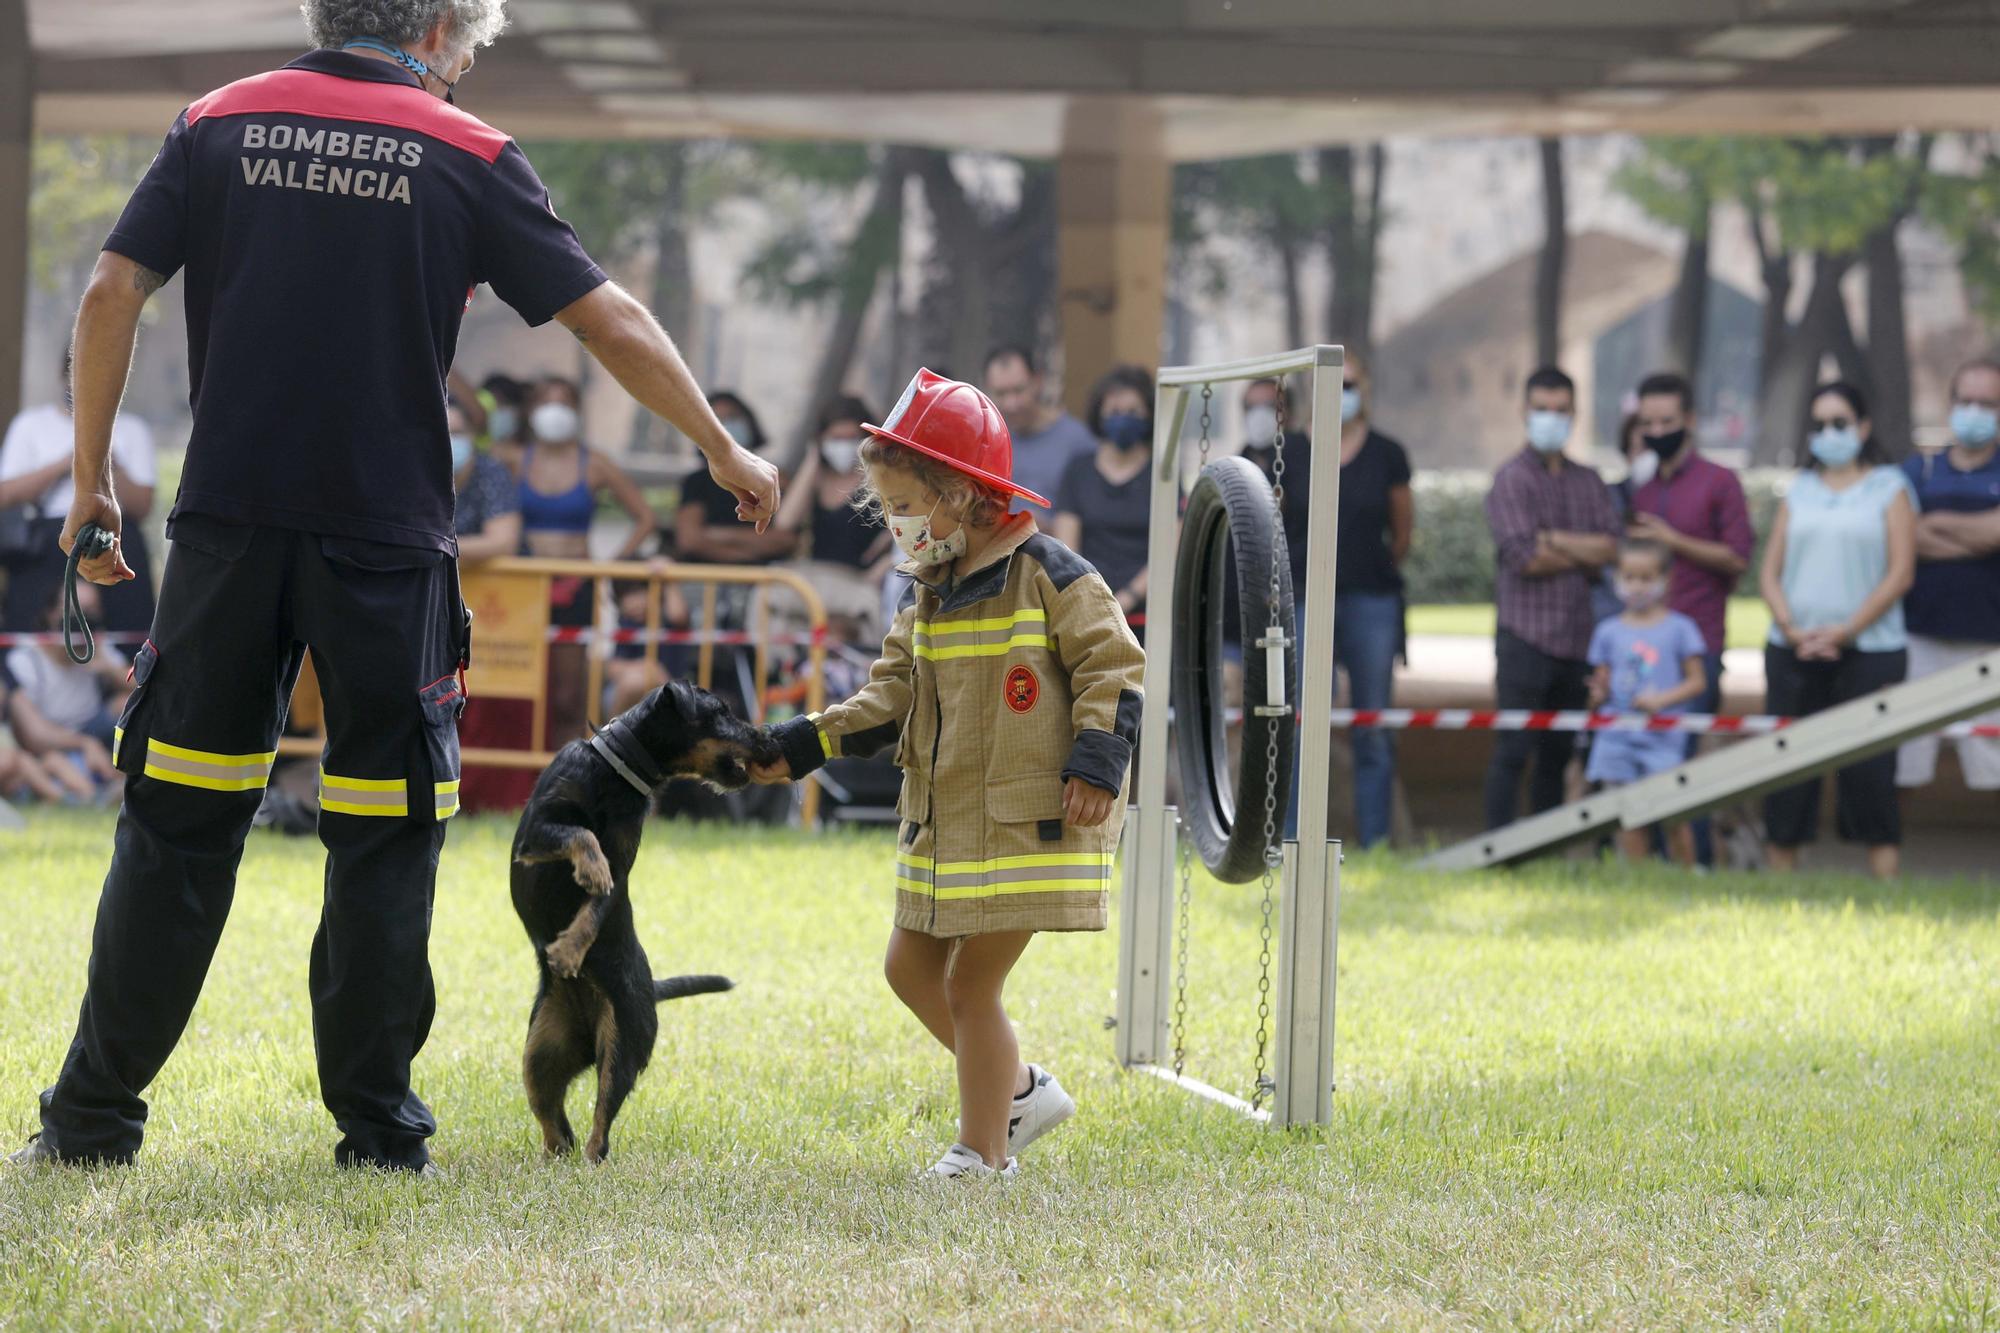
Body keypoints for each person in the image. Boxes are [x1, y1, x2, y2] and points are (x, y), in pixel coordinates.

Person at [15, 0, 779, 1174]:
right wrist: (720, 449)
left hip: (224, 533)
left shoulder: (218, 121)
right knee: (384, 836)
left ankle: (89, 1126)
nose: (469, 64)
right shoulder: (468, 153)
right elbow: (603, 316)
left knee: (174, 824)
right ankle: (378, 1135)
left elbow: (113, 289)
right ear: (430, 26)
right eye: (470, 42)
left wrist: (88, 488)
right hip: (385, 546)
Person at [753, 369, 1145, 1179]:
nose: (895, 523)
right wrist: (802, 744)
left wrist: (1099, 763)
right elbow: (889, 693)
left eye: (904, 504)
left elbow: (1116, 666)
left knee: (971, 983)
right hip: (948, 820)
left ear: (963, 496)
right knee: (910, 967)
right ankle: (1023, 1090)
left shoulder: (1052, 572)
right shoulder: (929, 591)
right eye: (887, 505)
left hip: (1032, 816)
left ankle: (983, 1153)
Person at [1242, 358, 1412, 849]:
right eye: (1332, 384)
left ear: (1367, 388)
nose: (1342, 393)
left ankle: (1376, 841)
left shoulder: (1387, 453)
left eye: (1351, 384)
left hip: (1371, 600)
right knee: (1296, 719)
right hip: (1303, 598)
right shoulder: (1288, 449)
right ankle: (1294, 840)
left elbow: (1402, 533)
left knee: (1373, 724)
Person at [1759, 382, 1914, 880]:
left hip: (1870, 651)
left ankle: (1885, 889)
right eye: (1820, 424)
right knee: (1788, 772)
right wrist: (1792, 628)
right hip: (1794, 650)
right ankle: (1778, 883)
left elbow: (1900, 572)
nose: (1830, 433)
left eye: (1840, 423)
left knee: (1869, 773)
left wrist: (1847, 630)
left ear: (1863, 427)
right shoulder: (1799, 488)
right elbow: (1770, 572)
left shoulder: (1889, 487)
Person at [1482, 366, 1621, 830]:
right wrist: (1582, 549)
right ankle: (1496, 847)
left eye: (1561, 410)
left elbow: (1611, 550)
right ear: (1524, 411)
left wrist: (1553, 539)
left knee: (1558, 753)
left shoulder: (1589, 480)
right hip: (1524, 637)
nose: (1551, 418)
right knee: (1513, 751)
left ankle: (1541, 845)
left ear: (1574, 414)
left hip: (1577, 639)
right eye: (1542, 409)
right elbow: (1523, 557)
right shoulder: (1510, 479)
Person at [1626, 372, 1753, 865]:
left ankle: (1698, 863)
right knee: (1643, 758)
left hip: (1697, 645)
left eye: (1668, 420)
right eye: (1648, 422)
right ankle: (1654, 860)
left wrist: (1673, 541)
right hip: (1640, 647)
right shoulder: (1638, 487)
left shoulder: (1720, 482)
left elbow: (1738, 559)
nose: (1658, 430)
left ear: (1691, 422)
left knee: (1685, 762)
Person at [0, 347, 158, 633]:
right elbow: (7, 493)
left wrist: (102, 453)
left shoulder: (132, 429)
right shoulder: (31, 425)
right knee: (34, 631)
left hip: (113, 537)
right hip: (49, 540)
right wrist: (68, 462)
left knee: (126, 628)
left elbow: (142, 504)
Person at [1898, 360, 2000, 796]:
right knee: (1906, 764)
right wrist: (1977, 535)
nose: (1974, 410)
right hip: (1921, 637)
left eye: (1987, 403)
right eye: (1966, 400)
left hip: (1990, 643)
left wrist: (1935, 522)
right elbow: (1906, 536)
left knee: (1992, 770)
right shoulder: (1919, 471)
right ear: (1950, 405)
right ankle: (1895, 861)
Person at [1585, 540, 1707, 864]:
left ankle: (1686, 876)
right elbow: (1602, 686)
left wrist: (1662, 700)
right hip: (1617, 738)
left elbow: (1697, 681)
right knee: (1627, 813)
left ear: (1665, 579)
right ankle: (1640, 877)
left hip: (1662, 738)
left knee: (1673, 814)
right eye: (1629, 577)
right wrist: (1597, 694)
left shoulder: (1681, 628)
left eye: (1646, 578)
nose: (1637, 586)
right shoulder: (1607, 631)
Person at [773, 394, 896, 645]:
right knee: (767, 597)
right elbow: (785, 521)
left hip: (857, 584)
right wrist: (813, 459)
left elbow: (901, 534)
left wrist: (882, 566)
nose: (844, 446)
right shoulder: (817, 478)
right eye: (835, 439)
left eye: (851, 439)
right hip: (816, 579)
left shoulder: (881, 480)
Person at [3, 582, 131, 803]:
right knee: (52, 762)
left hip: (97, 735)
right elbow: (34, 735)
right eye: (74, 612)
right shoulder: (26, 660)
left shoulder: (98, 649)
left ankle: (122, 782)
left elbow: (145, 691)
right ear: (51, 614)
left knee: (127, 702)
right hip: (53, 747)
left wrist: (108, 667)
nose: (82, 621)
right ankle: (92, 795)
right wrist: (84, 744)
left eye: (90, 612)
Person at [1051, 365, 1154, 638]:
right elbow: (1067, 550)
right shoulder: (1078, 471)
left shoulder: (1162, 476)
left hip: (1149, 619)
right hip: (1088, 613)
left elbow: (1170, 551)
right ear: (1100, 414)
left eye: (1133, 412)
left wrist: (1127, 599)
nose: (1123, 419)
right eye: (1115, 412)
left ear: (1149, 415)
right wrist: (1093, 598)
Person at [675, 391, 798, 566]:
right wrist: (744, 559)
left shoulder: (773, 478)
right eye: (717, 420)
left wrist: (717, 535)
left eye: (732, 417)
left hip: (763, 586)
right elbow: (690, 540)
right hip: (707, 580)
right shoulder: (697, 482)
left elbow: (785, 540)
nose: (726, 426)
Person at [981, 345, 1096, 516]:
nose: (1011, 404)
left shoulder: (1077, 441)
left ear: (1038, 381)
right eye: (1001, 393)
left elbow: (1095, 514)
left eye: (1018, 390)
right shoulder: (986, 442)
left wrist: (1048, 529)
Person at [448, 396, 519, 561]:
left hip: (493, 584)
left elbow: (503, 542)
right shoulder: (416, 477)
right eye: (442, 433)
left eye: (457, 433)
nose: (449, 441)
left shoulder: (491, 472)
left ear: (472, 435)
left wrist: (437, 546)